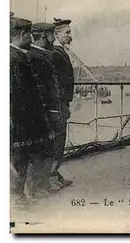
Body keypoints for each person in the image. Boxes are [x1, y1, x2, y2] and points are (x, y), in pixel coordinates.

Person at [10, 17, 52, 201]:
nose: (32, 39)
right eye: (29, 35)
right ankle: (18, 196)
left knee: (29, 154)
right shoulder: (12, 58)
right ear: (22, 34)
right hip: (21, 118)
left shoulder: (20, 55)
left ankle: (27, 192)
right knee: (20, 157)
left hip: (29, 117)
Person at [28, 22, 64, 193]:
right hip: (46, 112)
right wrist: (52, 110)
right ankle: (39, 186)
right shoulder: (36, 57)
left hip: (49, 110)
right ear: (43, 37)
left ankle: (43, 184)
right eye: (51, 35)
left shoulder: (40, 55)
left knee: (47, 146)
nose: (53, 39)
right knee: (43, 147)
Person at [51, 18, 75, 187]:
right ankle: (51, 175)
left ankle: (54, 172)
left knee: (60, 139)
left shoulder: (60, 52)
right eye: (66, 32)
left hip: (62, 102)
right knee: (57, 139)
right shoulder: (55, 53)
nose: (69, 35)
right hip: (58, 103)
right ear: (56, 34)